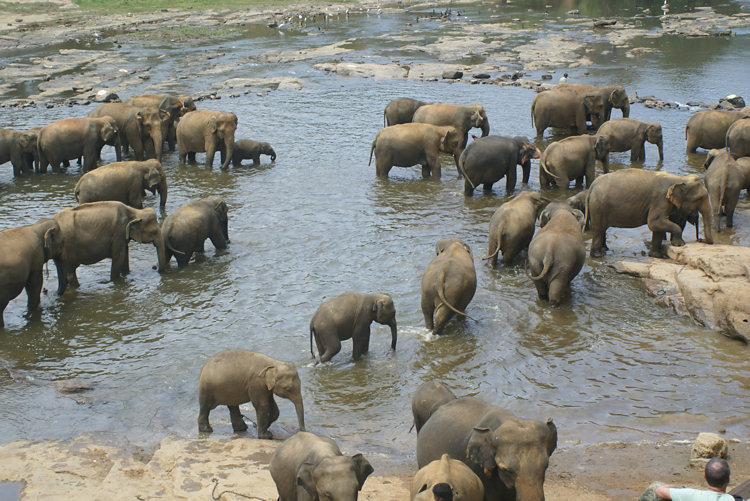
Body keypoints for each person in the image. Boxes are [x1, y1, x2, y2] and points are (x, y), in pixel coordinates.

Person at [655, 458, 740, 500]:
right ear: (728, 480)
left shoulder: (691, 495)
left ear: (705, 477)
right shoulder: (735, 499)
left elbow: (659, 491)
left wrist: (682, 487)